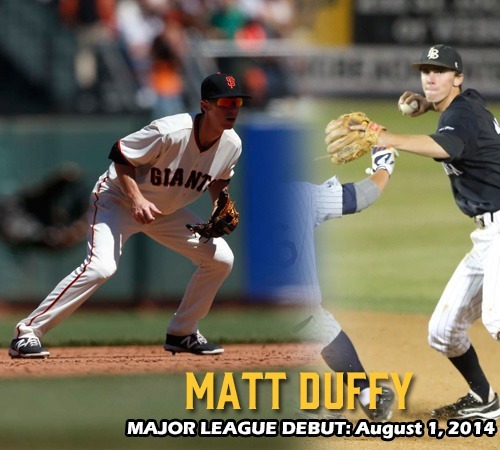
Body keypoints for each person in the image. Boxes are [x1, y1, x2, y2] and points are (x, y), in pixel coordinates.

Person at [352, 44, 500, 428]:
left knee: (498, 317)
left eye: (440, 71)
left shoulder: (460, 116)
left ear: (457, 77)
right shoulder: (466, 105)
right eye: (426, 71)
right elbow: (458, 113)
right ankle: (483, 398)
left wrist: (385, 136)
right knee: (443, 333)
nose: (430, 77)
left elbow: (445, 146)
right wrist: (427, 106)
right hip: (488, 236)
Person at [9, 72, 251, 359]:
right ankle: (27, 332)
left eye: (237, 101)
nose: (233, 108)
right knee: (101, 268)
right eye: (225, 101)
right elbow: (121, 155)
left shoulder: (232, 144)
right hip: (118, 199)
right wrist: (136, 199)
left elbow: (219, 179)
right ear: (206, 105)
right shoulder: (170, 131)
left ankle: (182, 332)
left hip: (163, 212)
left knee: (221, 259)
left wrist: (220, 204)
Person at [276, 147, 399, 421]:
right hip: (301, 307)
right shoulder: (301, 194)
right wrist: (384, 165)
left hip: (249, 306)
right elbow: (361, 197)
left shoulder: (225, 203)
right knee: (322, 328)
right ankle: (367, 396)